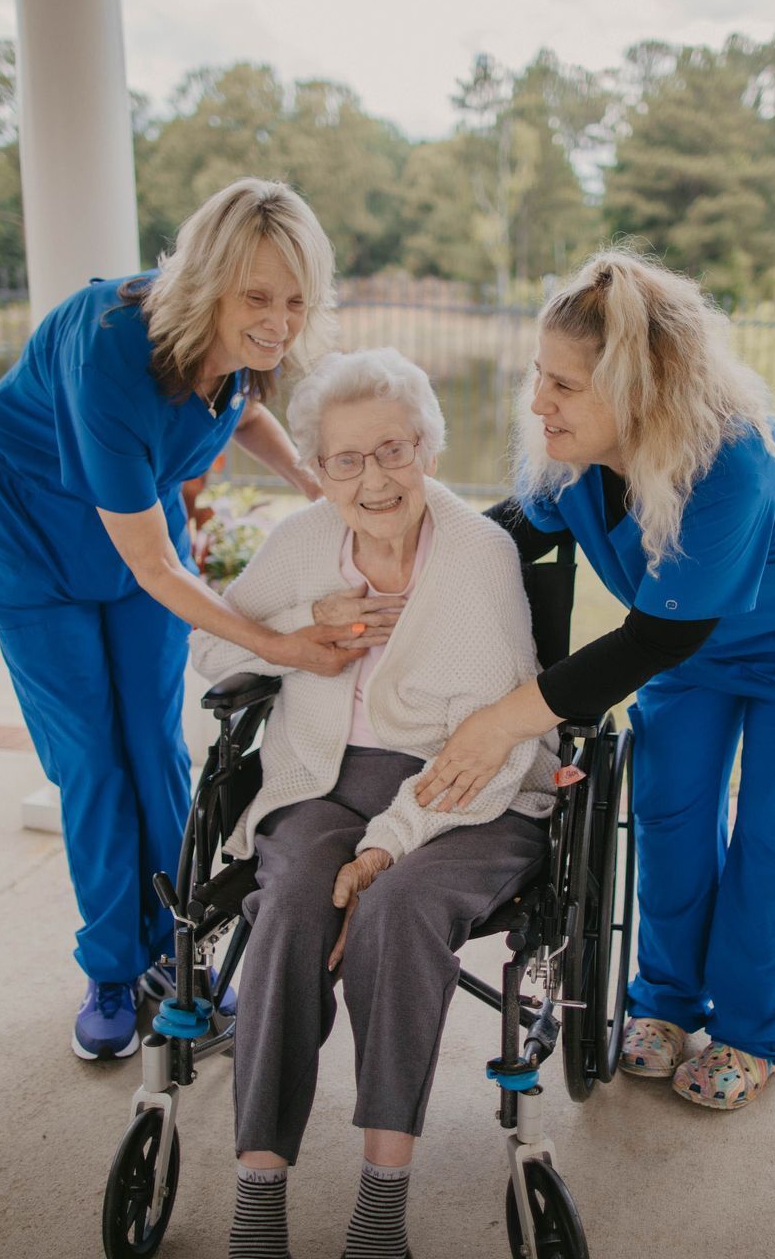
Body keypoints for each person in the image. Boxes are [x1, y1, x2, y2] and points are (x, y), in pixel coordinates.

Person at [415, 249, 775, 1111]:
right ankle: (667, 1004)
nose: (539, 402)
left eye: (564, 386)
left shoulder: (729, 465)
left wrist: (500, 722)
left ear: (640, 392)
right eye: (539, 374)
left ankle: (752, 1034)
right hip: (697, 641)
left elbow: (650, 640)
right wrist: (396, 578)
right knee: (672, 811)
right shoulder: (568, 454)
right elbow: (497, 545)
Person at [0, 179, 386, 1062]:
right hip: (37, 543)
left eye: (297, 302)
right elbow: (155, 565)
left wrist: (311, 482)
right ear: (209, 285)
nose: (278, 323)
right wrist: (279, 647)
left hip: (135, 522)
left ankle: (176, 953)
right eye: (259, 299)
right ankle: (114, 969)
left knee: (156, 745)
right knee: (92, 759)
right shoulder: (113, 352)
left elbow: (245, 407)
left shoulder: (242, 344)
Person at [190, 348, 557, 1259]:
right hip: (324, 777)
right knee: (289, 903)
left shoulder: (474, 555)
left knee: (397, 906)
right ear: (317, 469)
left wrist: (388, 846)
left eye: (393, 450)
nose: (372, 478)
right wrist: (305, 633)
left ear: (428, 450)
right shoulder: (305, 540)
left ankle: (380, 1205)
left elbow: (490, 749)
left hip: (470, 795)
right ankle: (259, 1192)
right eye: (345, 459)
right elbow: (212, 653)